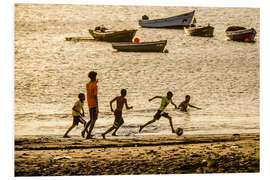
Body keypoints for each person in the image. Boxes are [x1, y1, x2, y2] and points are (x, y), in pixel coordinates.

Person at [81, 71, 99, 139]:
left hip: (89, 103)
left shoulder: (88, 84)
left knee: (91, 119)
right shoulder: (95, 85)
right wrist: (97, 107)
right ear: (94, 77)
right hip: (94, 104)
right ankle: (88, 134)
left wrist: (95, 82)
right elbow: (95, 96)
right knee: (94, 120)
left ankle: (84, 131)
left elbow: (91, 87)